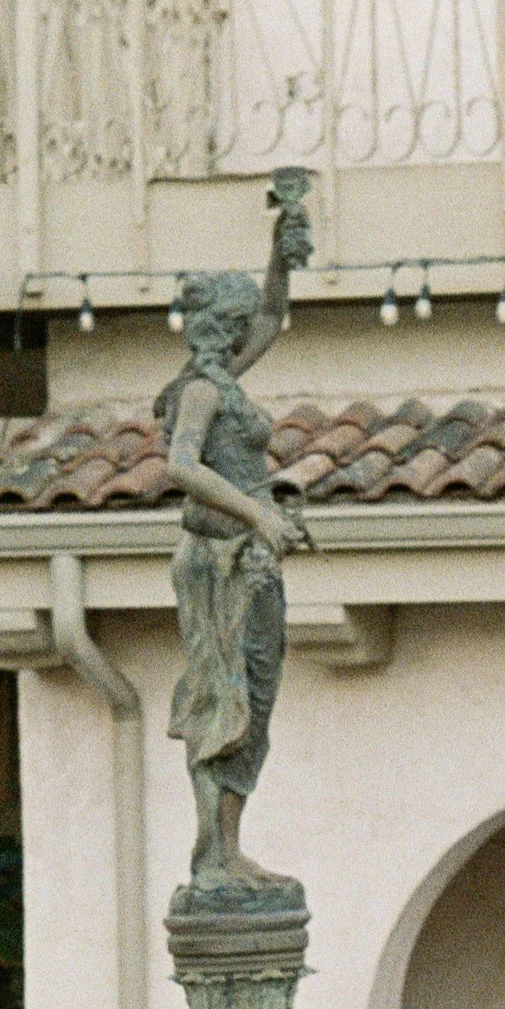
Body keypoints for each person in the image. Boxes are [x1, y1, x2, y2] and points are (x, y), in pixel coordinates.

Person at [159, 179, 315, 889]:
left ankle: (229, 847)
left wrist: (282, 242)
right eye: (242, 315)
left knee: (254, 700)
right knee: (225, 701)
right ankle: (214, 855)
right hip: (219, 561)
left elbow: (277, 316)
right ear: (220, 324)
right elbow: (181, 465)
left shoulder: (225, 379)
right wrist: (257, 514)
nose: (254, 323)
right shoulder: (199, 390)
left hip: (251, 557)